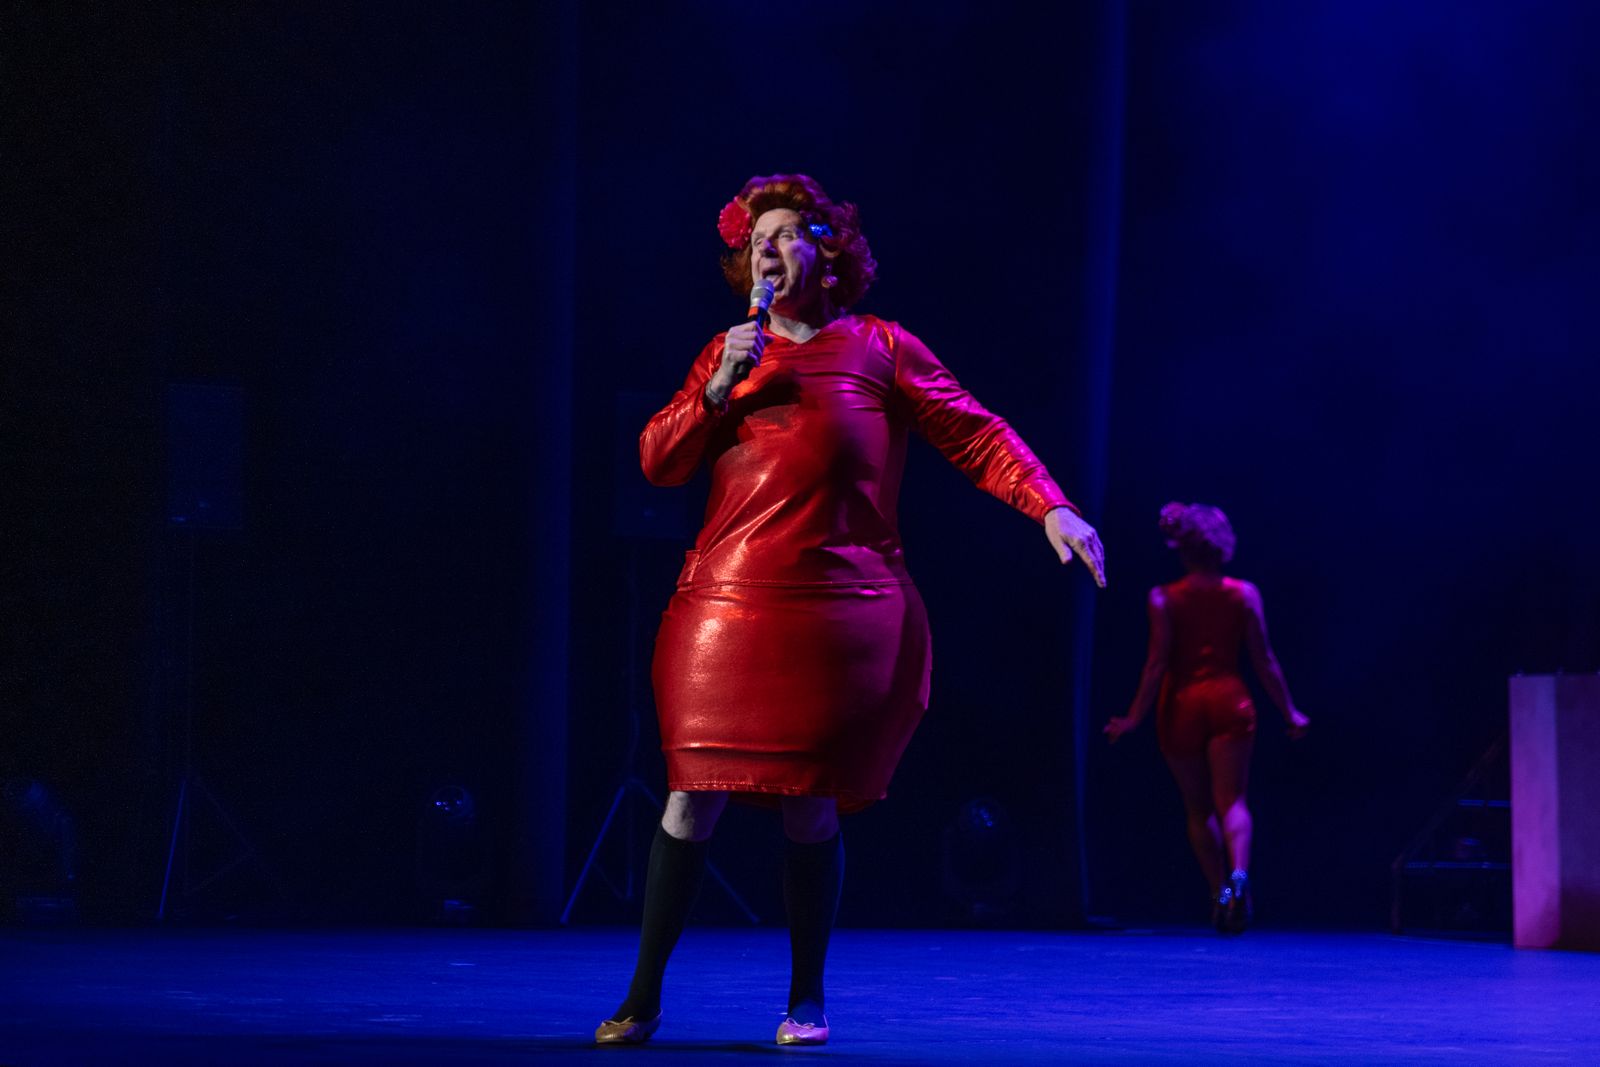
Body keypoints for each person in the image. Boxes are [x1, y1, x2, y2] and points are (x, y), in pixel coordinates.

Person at [595, 174, 1106, 1047]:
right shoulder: (727, 353)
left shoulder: (880, 347)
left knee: (811, 803)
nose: (767, 247)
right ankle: (641, 996)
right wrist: (716, 388)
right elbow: (656, 462)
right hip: (723, 610)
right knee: (689, 799)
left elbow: (976, 432)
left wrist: (1049, 504)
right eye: (756, 238)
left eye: (786, 232)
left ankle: (806, 999)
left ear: (826, 252)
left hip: (839, 615)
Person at [1104, 502, 1310, 933]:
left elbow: (1156, 665)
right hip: (1229, 700)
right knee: (1233, 801)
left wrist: (1133, 718)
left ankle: (1220, 892)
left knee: (1199, 809)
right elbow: (1265, 661)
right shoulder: (1244, 594)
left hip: (1182, 705)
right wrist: (1289, 711)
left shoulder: (1163, 598)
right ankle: (1240, 876)